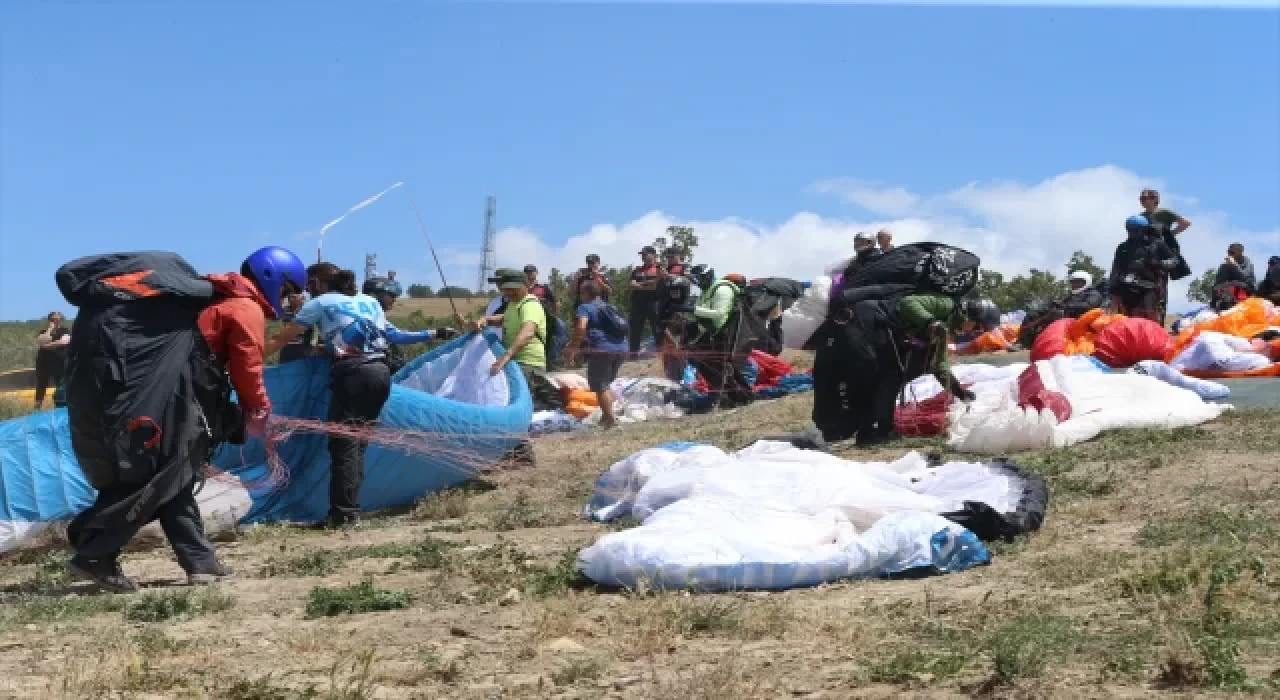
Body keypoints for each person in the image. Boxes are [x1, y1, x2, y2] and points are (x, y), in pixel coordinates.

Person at [62, 246, 307, 592]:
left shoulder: (214, 298)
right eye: (288, 289)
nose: (287, 298)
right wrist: (258, 410)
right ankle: (94, 548)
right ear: (273, 279)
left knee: (175, 477)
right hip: (177, 400)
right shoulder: (244, 306)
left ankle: (200, 562)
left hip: (163, 393)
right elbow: (247, 366)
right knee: (167, 476)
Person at [265, 263, 395, 529]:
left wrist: (246, 361)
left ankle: (343, 516)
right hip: (381, 372)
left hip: (353, 377)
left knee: (344, 445)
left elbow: (280, 339)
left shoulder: (321, 303)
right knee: (358, 443)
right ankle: (350, 510)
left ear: (318, 283)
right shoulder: (370, 302)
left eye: (309, 284)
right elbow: (385, 335)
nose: (307, 290)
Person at [470, 269, 562, 411]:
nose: (509, 293)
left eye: (514, 289)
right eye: (506, 289)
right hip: (515, 361)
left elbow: (528, 332)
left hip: (528, 363)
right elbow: (505, 318)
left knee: (525, 402)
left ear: (525, 286)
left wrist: (505, 357)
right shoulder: (514, 304)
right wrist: (486, 320)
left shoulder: (530, 304)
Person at [565, 280, 627, 427]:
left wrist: (573, 347)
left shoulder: (585, 307)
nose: (580, 296)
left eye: (581, 293)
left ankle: (611, 420)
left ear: (586, 293)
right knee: (606, 384)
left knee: (600, 385)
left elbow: (581, 327)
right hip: (622, 348)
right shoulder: (611, 306)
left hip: (601, 349)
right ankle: (606, 416)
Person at [688, 271, 755, 408]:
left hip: (723, 333)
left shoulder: (722, 290)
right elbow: (703, 311)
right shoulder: (707, 290)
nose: (697, 284)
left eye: (698, 280)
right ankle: (737, 396)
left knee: (719, 367)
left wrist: (693, 309)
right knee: (706, 365)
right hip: (710, 333)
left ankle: (736, 397)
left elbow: (719, 314)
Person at [361, 277, 455, 373]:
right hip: (370, 369)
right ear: (375, 296)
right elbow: (398, 336)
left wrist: (436, 333)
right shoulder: (374, 319)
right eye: (391, 295)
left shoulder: (367, 316)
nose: (394, 299)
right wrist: (437, 333)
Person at [1109, 215, 1179, 322]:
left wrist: (1160, 264)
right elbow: (1116, 269)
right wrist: (1113, 290)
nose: (1132, 233)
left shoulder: (1156, 244)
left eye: (1136, 230)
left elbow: (1174, 260)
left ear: (1144, 229)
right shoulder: (1123, 247)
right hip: (1126, 286)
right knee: (1126, 318)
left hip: (1150, 286)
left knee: (1150, 317)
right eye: (1130, 230)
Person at [1138, 188, 1193, 293]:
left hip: (1161, 251)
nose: (1143, 201)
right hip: (1145, 250)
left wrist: (1170, 235)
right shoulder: (1140, 217)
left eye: (1145, 198)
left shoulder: (1164, 212)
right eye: (1141, 198)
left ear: (1155, 199)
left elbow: (1185, 223)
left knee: (1160, 278)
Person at [523, 265, 566, 369]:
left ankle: (553, 360)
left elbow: (555, 302)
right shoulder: (522, 288)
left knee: (560, 327)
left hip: (544, 316)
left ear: (536, 273)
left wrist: (555, 314)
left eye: (532, 272)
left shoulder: (543, 287)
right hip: (526, 317)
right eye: (527, 272)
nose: (530, 274)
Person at [627, 246, 663, 356]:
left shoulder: (659, 268)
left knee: (657, 327)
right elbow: (631, 285)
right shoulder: (637, 270)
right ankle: (633, 354)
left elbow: (655, 287)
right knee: (635, 328)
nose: (643, 256)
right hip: (638, 303)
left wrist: (640, 285)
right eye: (642, 254)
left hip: (654, 302)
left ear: (653, 255)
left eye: (646, 254)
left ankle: (660, 352)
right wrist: (647, 284)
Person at [33, 311, 71, 410]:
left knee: (61, 386)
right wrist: (50, 329)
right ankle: (37, 409)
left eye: (57, 319)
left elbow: (64, 342)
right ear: (49, 320)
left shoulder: (65, 331)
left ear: (61, 320)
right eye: (52, 319)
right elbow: (40, 341)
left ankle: (61, 409)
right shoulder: (43, 332)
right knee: (41, 386)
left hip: (59, 363)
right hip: (44, 363)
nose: (55, 321)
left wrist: (46, 346)